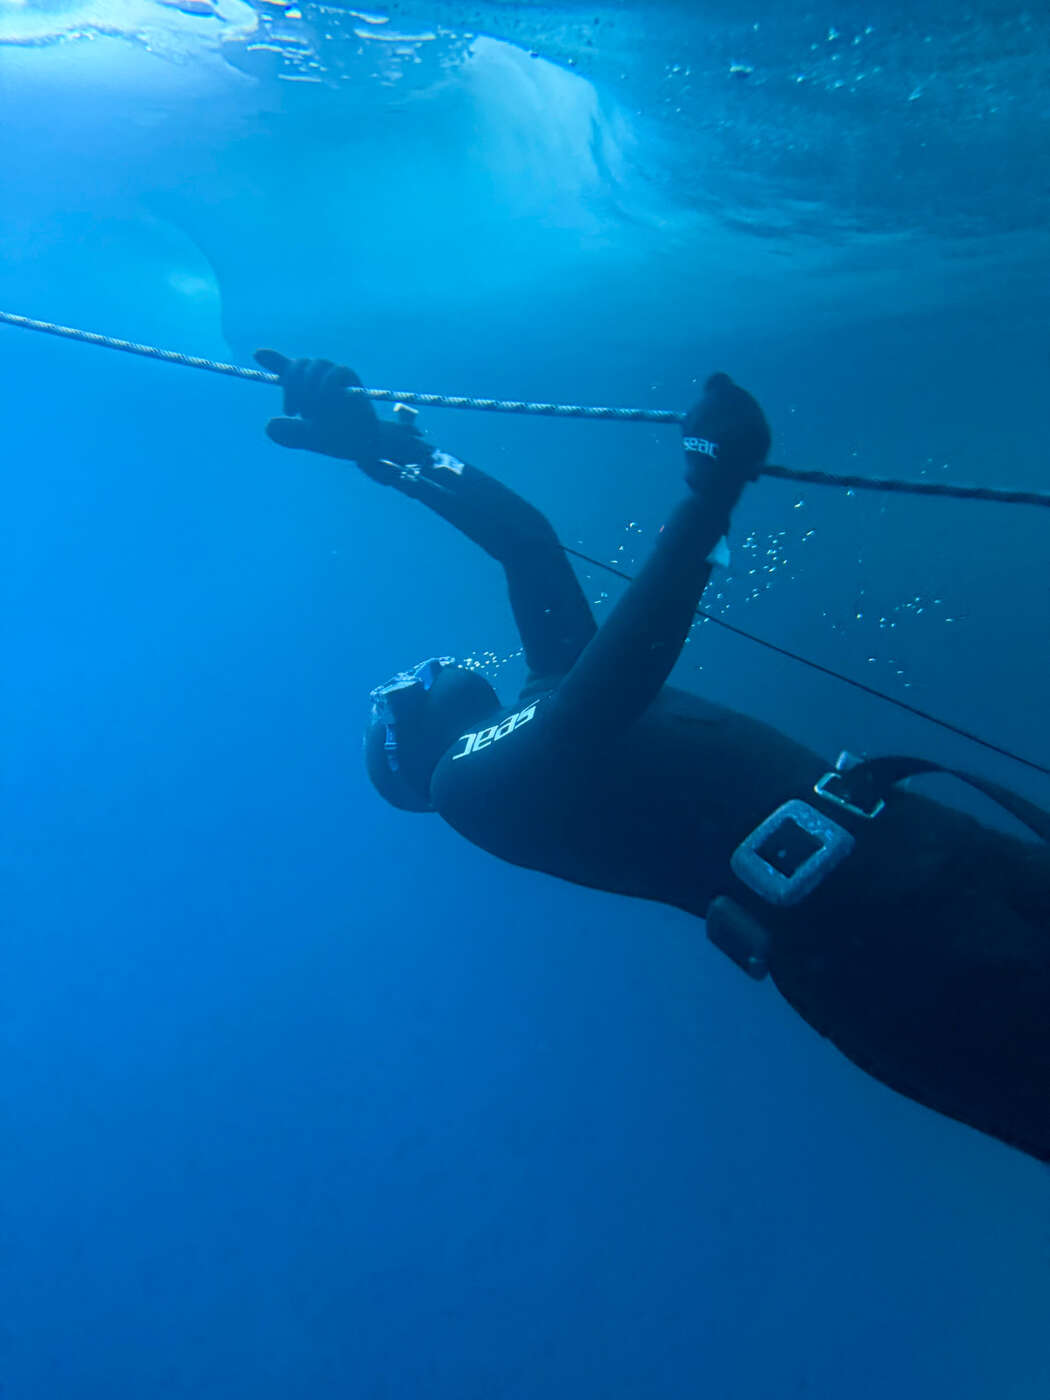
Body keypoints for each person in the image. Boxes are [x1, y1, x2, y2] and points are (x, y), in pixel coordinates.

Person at [254, 349, 1050, 1166]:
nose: (417, 671)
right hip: (888, 949)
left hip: (915, 857)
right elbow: (600, 699)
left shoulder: (547, 683)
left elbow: (525, 545)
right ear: (402, 741)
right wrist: (708, 499)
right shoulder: (464, 783)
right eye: (398, 687)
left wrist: (391, 454)